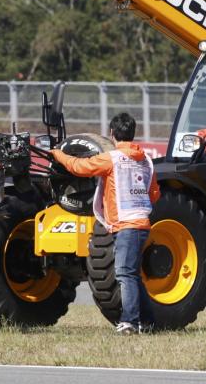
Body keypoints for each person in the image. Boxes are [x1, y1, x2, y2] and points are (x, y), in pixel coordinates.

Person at [50, 112, 161, 335]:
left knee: (124, 274)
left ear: (112, 134)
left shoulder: (112, 158)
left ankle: (129, 322)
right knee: (132, 274)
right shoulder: (146, 160)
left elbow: (79, 167)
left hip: (126, 226)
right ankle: (148, 321)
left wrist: (58, 154)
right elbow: (155, 193)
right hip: (142, 223)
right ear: (133, 133)